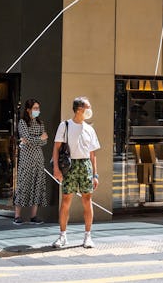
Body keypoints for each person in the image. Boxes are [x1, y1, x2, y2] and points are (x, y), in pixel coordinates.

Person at [51, 96, 100, 249]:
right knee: (66, 200)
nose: (90, 110)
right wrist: (56, 169)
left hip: (85, 164)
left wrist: (95, 175)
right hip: (70, 164)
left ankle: (88, 236)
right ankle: (62, 235)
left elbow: (93, 154)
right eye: (88, 107)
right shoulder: (65, 125)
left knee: (87, 200)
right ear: (79, 109)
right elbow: (56, 148)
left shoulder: (90, 128)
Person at [13, 99, 48, 225]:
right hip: (26, 158)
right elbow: (27, 138)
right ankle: (17, 215)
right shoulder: (23, 123)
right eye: (35, 108)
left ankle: (34, 215)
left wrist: (34, 140)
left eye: (38, 108)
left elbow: (45, 141)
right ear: (28, 110)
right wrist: (39, 138)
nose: (37, 110)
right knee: (24, 184)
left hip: (38, 157)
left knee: (37, 185)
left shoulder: (40, 123)